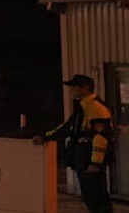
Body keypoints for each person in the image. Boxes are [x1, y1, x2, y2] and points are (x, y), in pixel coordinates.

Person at [35, 74, 114, 213]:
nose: (72, 90)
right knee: (90, 195)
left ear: (86, 88)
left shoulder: (96, 108)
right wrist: (46, 137)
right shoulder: (82, 106)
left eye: (75, 86)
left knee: (96, 197)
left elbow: (101, 137)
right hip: (83, 158)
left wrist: (95, 163)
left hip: (90, 159)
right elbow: (68, 127)